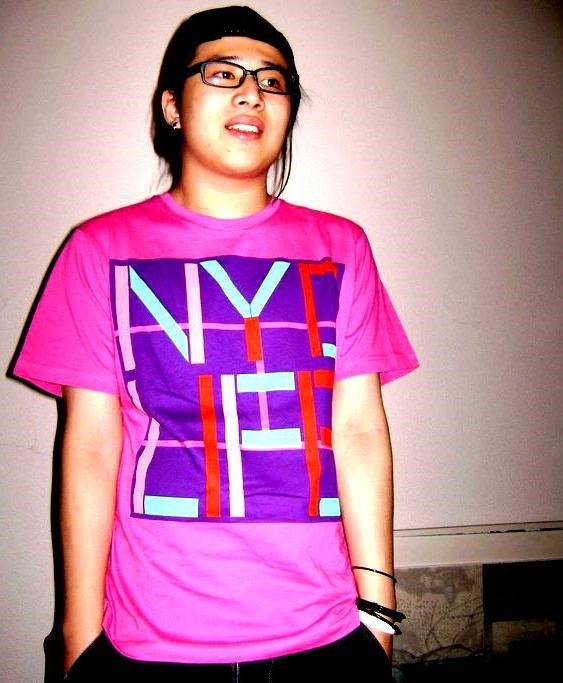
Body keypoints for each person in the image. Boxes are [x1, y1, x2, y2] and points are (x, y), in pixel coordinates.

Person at [13, 6, 418, 681]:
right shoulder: (98, 249)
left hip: (324, 641)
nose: (252, 93)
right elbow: (89, 446)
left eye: (273, 81)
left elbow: (358, 432)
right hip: (148, 648)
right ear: (172, 105)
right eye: (223, 73)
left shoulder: (341, 247)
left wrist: (377, 613)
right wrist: (78, 635)